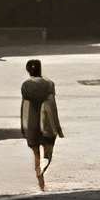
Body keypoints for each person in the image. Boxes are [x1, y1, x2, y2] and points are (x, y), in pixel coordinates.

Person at [19, 56, 62, 190]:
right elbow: (52, 105)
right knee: (48, 153)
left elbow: (25, 105)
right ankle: (42, 170)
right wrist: (58, 126)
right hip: (47, 123)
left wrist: (23, 126)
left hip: (31, 122)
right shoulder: (49, 84)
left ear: (28, 70)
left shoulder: (26, 85)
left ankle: (40, 181)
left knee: (36, 153)